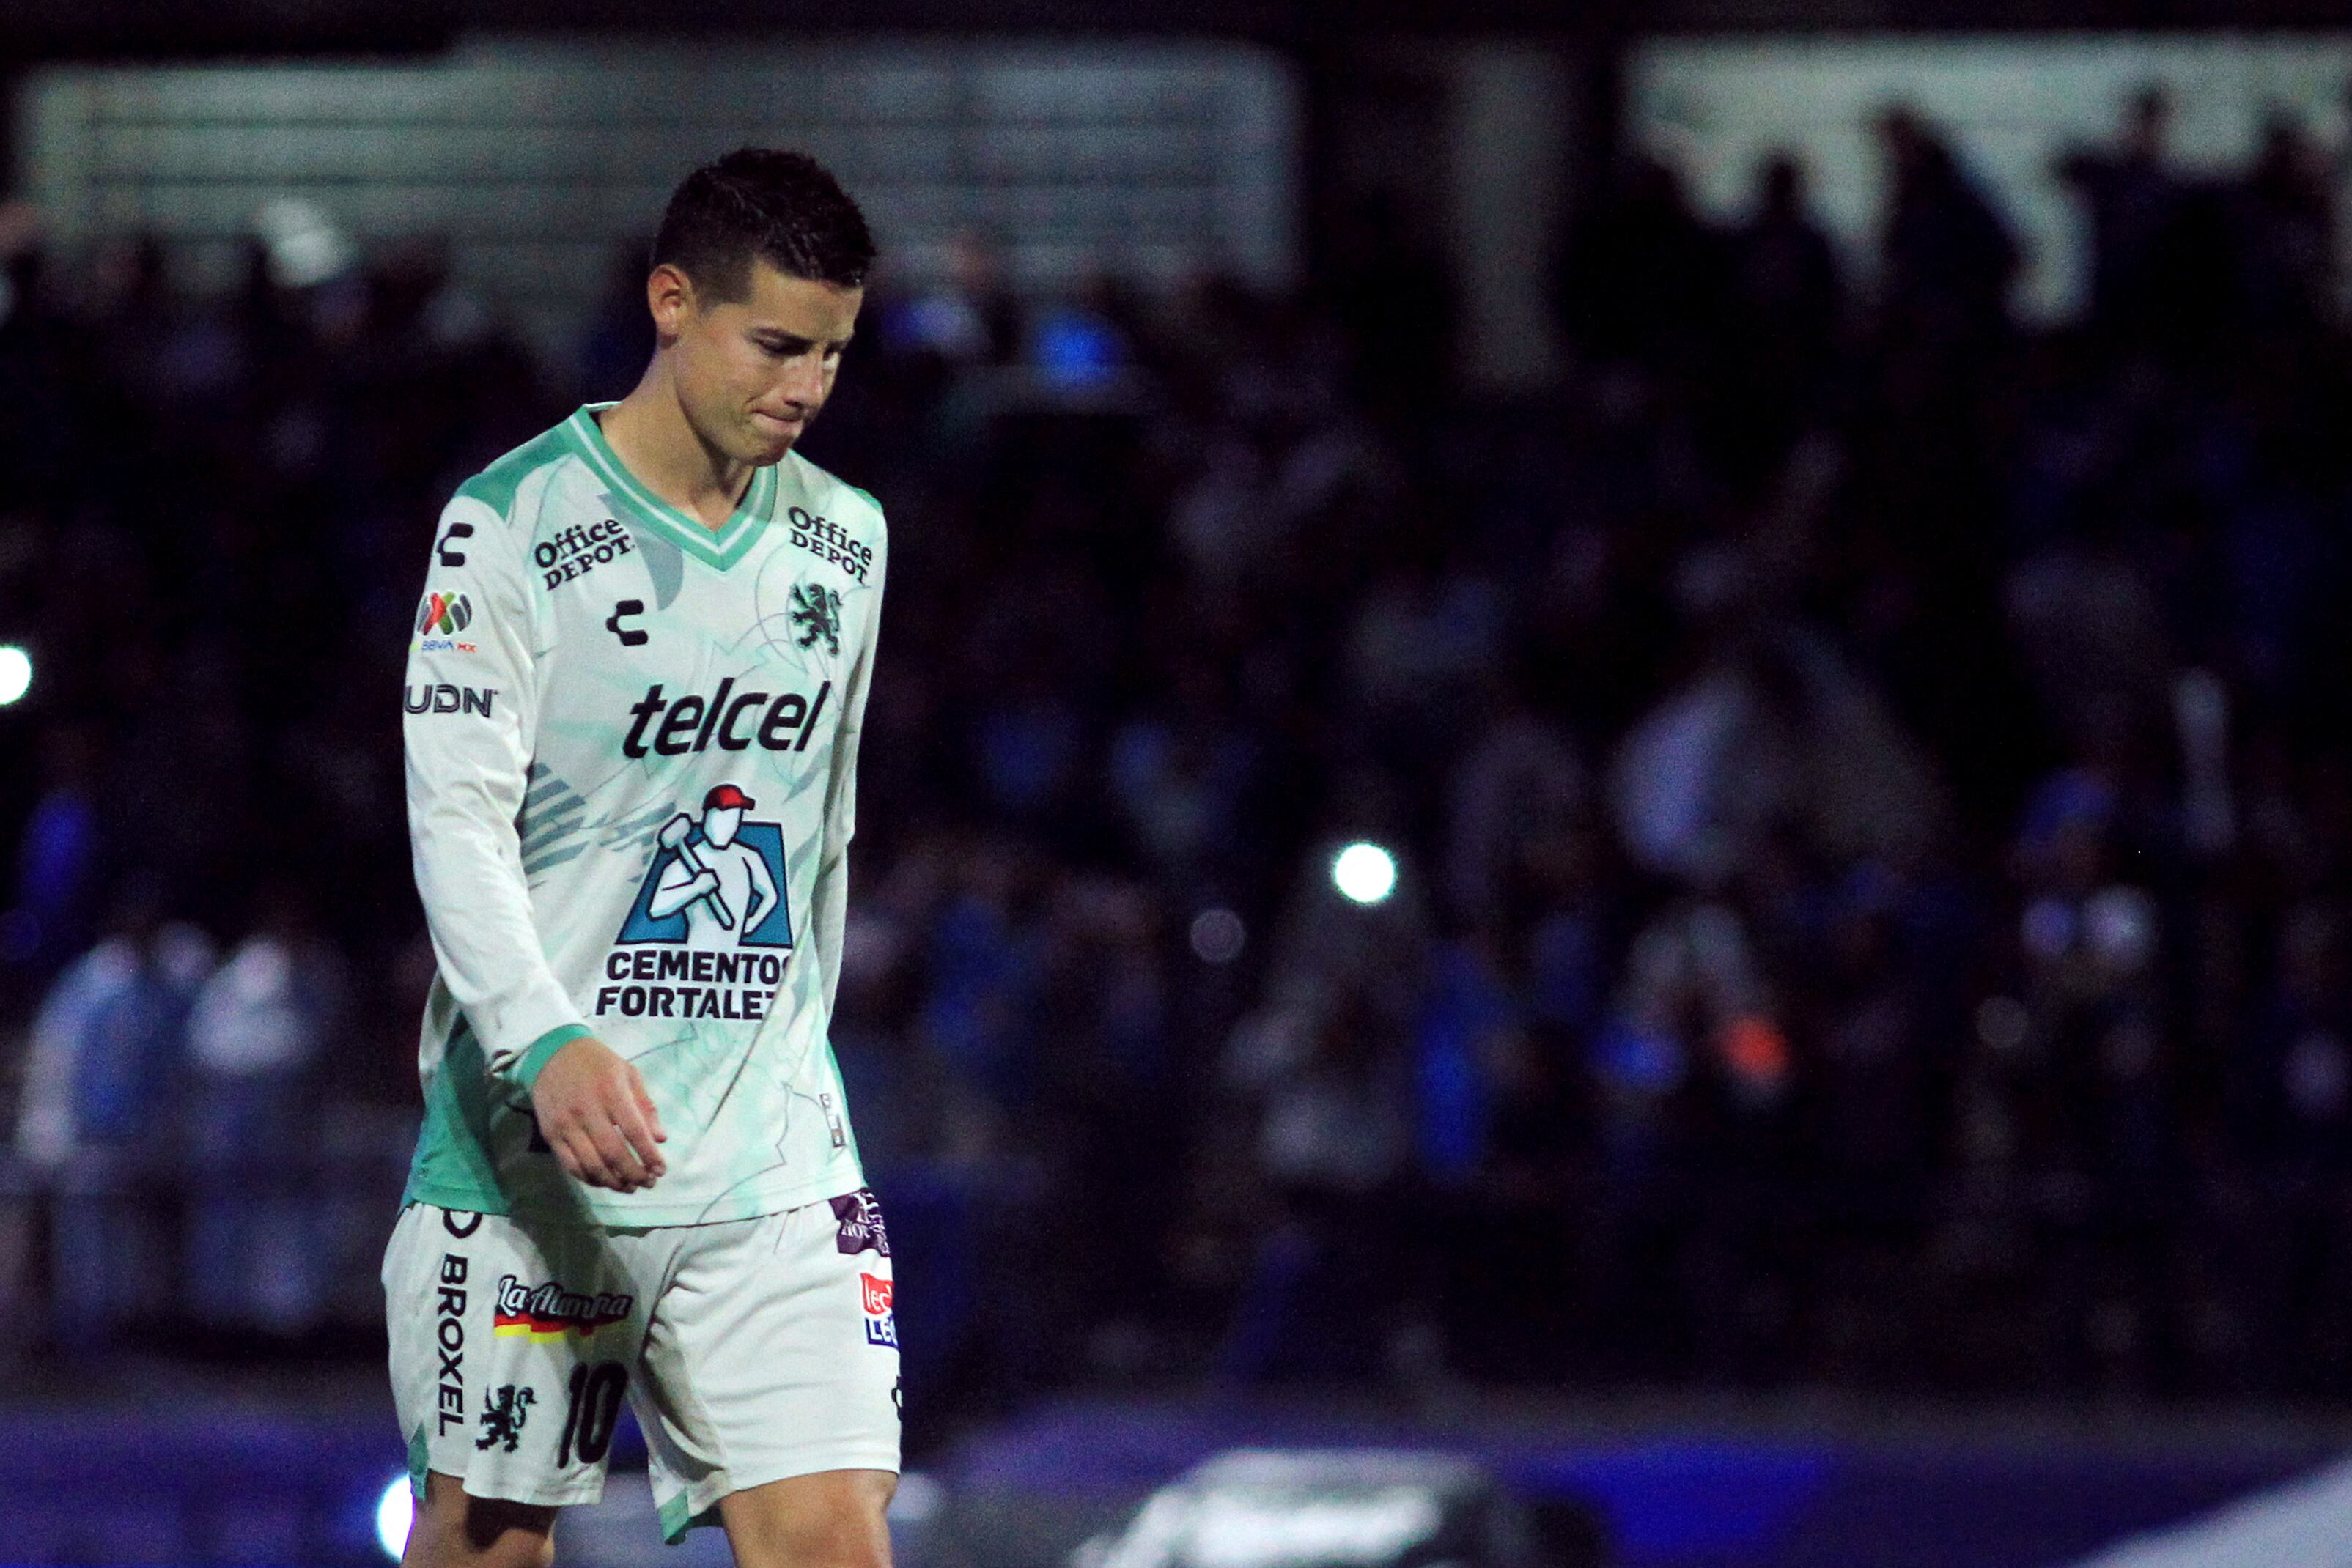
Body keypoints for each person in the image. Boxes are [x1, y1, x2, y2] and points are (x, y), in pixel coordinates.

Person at [384, 149, 896, 1568]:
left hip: (767, 1150)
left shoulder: (847, 543)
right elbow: (456, 819)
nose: (807, 385)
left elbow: (826, 827)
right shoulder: (514, 523)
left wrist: (799, 1053)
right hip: (535, 1155)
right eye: (777, 344)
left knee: (834, 1535)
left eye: (836, 354)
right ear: (672, 302)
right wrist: (546, 1037)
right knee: (487, 1541)